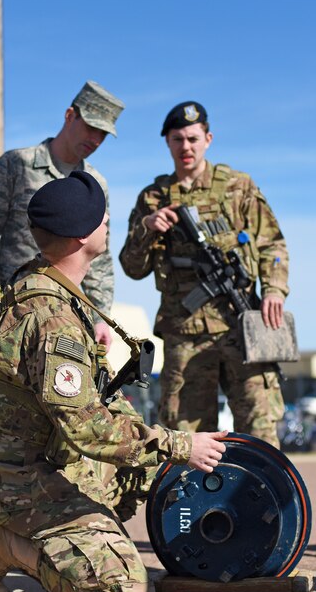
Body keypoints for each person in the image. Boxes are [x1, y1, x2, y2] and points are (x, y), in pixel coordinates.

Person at [0, 171, 227, 592]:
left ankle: (69, 540)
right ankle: (2, 541)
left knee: (142, 473)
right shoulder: (52, 318)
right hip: (21, 477)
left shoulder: (41, 284)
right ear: (83, 235)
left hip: (39, 456)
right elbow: (87, 428)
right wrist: (181, 446)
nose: (108, 224)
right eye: (104, 218)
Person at [119, 101, 288, 446]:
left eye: (193, 138)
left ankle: (266, 499)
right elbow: (132, 267)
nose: (186, 147)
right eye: (178, 139)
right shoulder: (152, 198)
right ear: (167, 142)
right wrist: (147, 228)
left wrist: (274, 290)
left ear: (208, 139)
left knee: (261, 433)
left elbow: (273, 245)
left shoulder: (238, 187)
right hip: (186, 335)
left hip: (242, 329)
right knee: (186, 437)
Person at [0, 81, 124, 360]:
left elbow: (100, 259)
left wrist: (99, 317)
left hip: (63, 316)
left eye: (103, 134)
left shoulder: (95, 184)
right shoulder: (15, 165)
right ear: (70, 116)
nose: (95, 139)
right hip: (12, 316)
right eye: (91, 127)